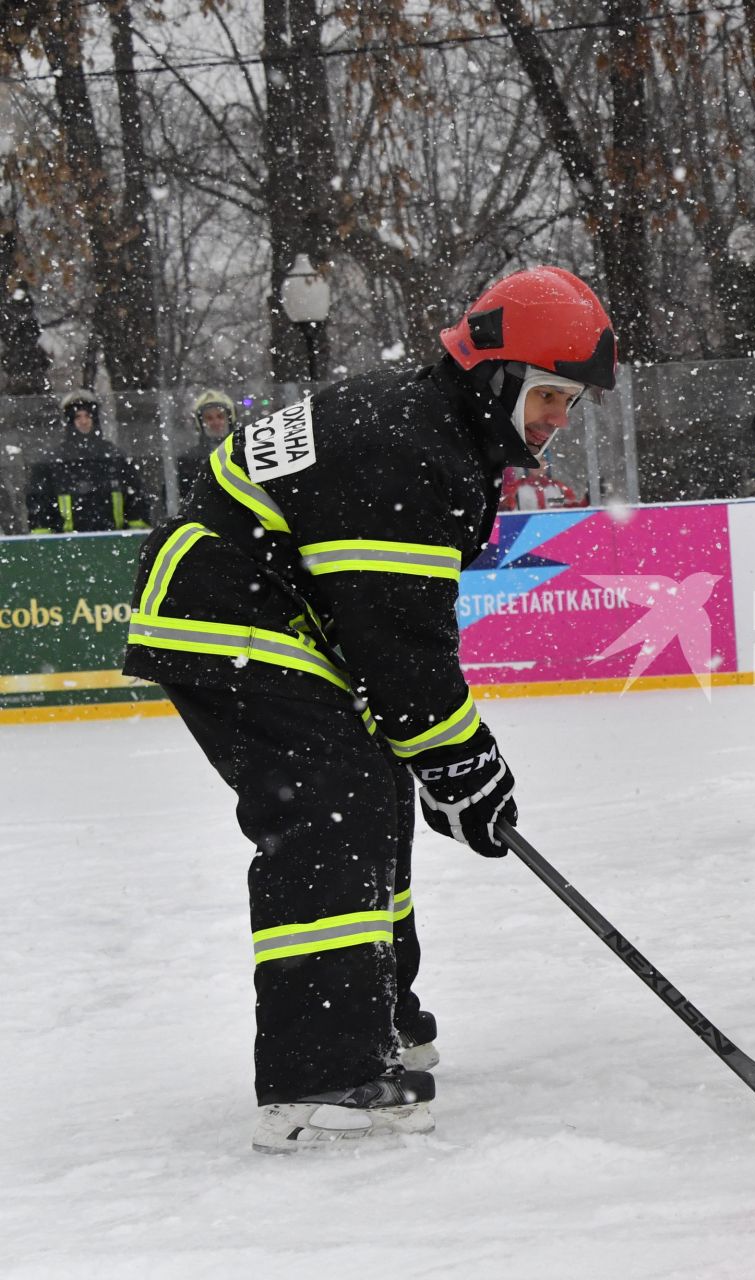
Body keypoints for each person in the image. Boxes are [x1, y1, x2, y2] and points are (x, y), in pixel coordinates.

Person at [120, 266, 617, 1151]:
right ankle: (320, 1074)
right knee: (331, 807)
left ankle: (378, 1018)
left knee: (374, 792)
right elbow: (399, 648)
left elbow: (391, 640)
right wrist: (461, 759)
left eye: (570, 404)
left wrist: (443, 760)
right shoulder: (410, 448)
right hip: (227, 612)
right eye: (549, 396)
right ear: (494, 377)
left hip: (270, 611)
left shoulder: (429, 431)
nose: (557, 421)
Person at [27, 391, 152, 533]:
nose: (84, 421)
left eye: (87, 416)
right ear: (70, 421)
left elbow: (135, 499)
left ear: (95, 419)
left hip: (113, 539)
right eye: (77, 417)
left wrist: (135, 534)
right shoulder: (52, 462)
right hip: (66, 543)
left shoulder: (114, 457)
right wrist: (47, 542)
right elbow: (40, 505)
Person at [174, 389, 237, 506]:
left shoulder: (243, 452)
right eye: (209, 418)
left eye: (220, 416)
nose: (215, 422)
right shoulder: (188, 460)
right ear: (200, 423)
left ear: (230, 419)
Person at [500, 463, 584, 510]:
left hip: (554, 532)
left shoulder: (558, 487)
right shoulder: (516, 488)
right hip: (526, 532)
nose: (539, 464)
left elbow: (574, 508)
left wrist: (587, 499)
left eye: (542, 460)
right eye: (535, 460)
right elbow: (506, 510)